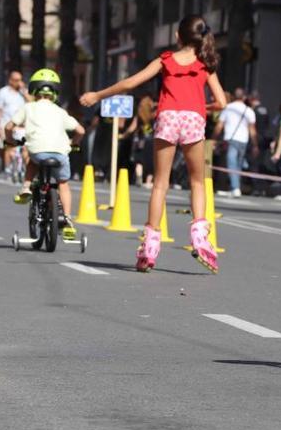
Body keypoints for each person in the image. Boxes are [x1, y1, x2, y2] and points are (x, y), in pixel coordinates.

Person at [80, 15, 228, 273]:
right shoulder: (206, 64)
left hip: (168, 117)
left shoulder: (166, 60)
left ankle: (150, 245)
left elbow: (130, 82)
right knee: (197, 181)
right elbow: (222, 102)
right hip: (193, 119)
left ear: (177, 36)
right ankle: (200, 238)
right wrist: (200, 107)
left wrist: (97, 95)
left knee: (160, 183)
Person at [6, 69, 85, 240]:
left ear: (33, 90)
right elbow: (81, 130)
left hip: (38, 152)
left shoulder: (28, 107)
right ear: (55, 93)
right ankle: (68, 219)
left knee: (33, 161)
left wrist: (10, 140)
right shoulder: (60, 111)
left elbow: (8, 127)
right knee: (63, 183)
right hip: (60, 153)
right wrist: (75, 143)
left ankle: (26, 188)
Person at [212, 87, 257, 197]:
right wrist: (255, 145)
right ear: (244, 97)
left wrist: (213, 138)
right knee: (239, 164)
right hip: (243, 140)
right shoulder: (249, 110)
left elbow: (219, 125)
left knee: (231, 162)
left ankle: (235, 187)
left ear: (233, 96)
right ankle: (235, 186)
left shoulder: (228, 108)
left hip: (231, 138)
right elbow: (252, 130)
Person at [0, 70, 31, 176]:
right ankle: (8, 168)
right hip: (7, 124)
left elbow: (31, 103)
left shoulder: (23, 92)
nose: (18, 82)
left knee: (25, 148)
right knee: (10, 147)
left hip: (21, 125)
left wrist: (24, 92)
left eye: (20, 80)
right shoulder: (3, 92)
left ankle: (25, 169)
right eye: (16, 80)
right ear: (10, 80)